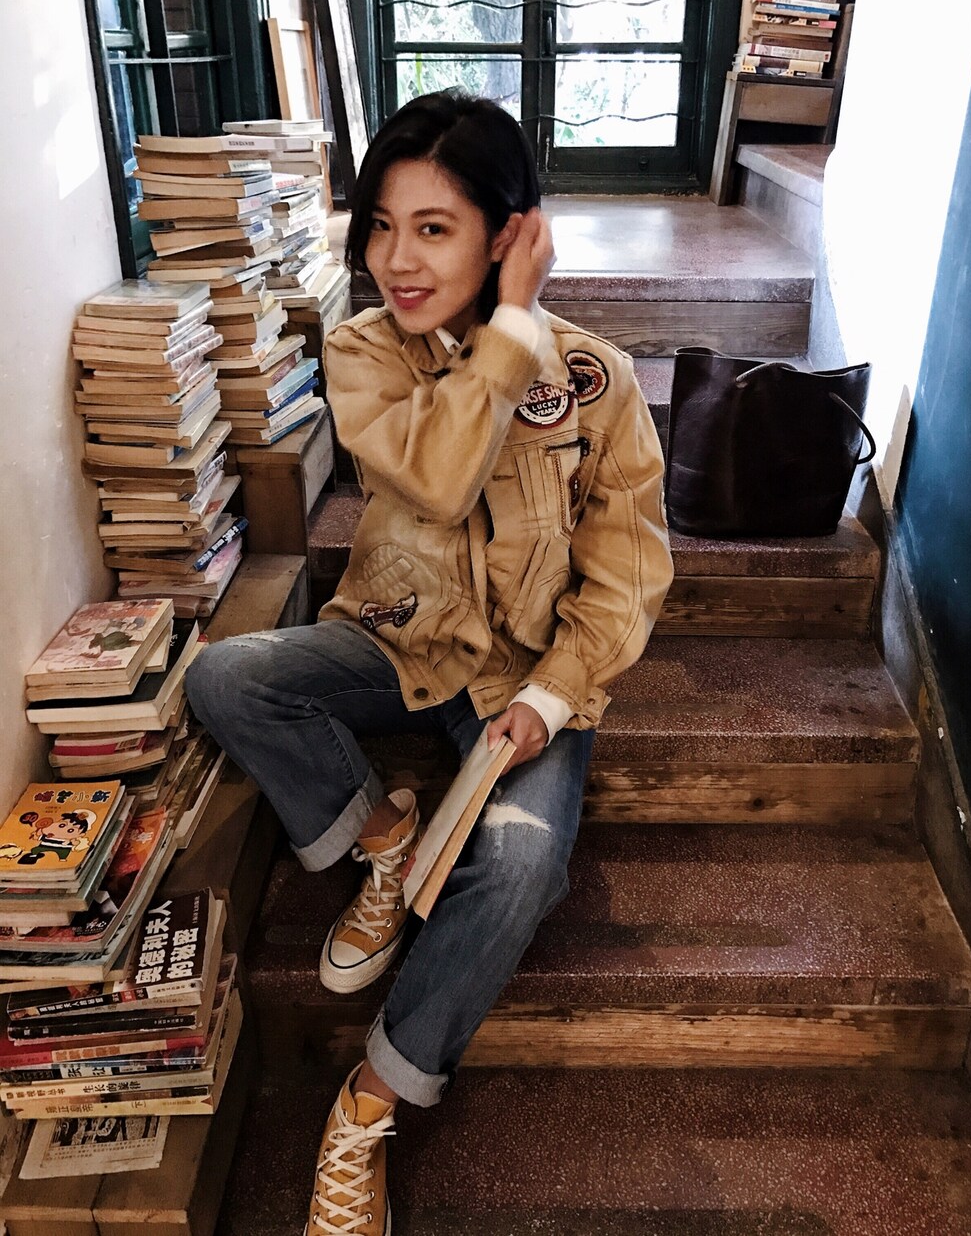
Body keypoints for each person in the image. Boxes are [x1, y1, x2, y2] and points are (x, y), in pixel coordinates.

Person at [185, 90, 673, 1235]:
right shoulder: (364, 354)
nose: (395, 260)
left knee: (521, 863)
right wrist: (511, 328)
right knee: (223, 676)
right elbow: (442, 478)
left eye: (434, 228)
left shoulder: (597, 384)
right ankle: (383, 837)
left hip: (524, 673)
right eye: (379, 226)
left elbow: (627, 575)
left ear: (510, 233)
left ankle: (370, 1097)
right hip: (394, 638)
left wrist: (552, 697)